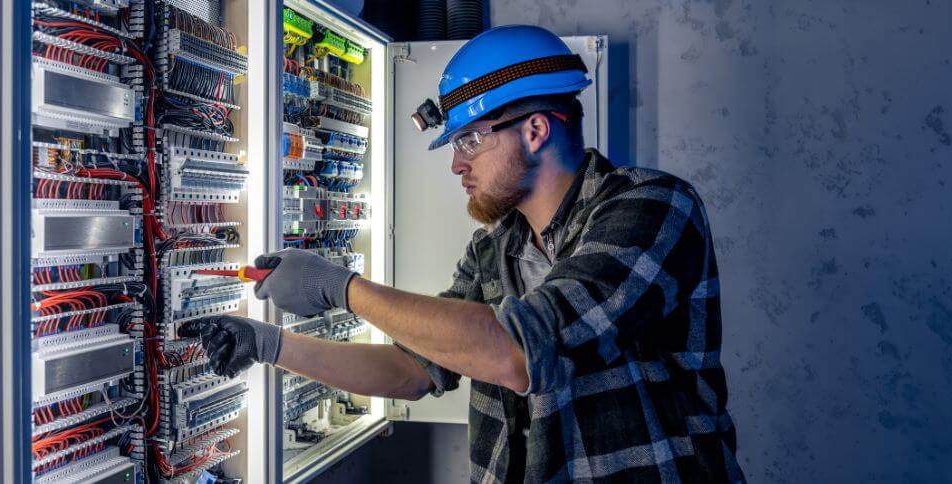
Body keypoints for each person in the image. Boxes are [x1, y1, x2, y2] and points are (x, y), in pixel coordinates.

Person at [182, 25, 744, 483]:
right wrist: (271, 344)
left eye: (470, 139)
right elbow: (412, 369)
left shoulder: (654, 208)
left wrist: (341, 287)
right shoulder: (495, 248)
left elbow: (520, 353)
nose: (457, 164)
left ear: (536, 130)